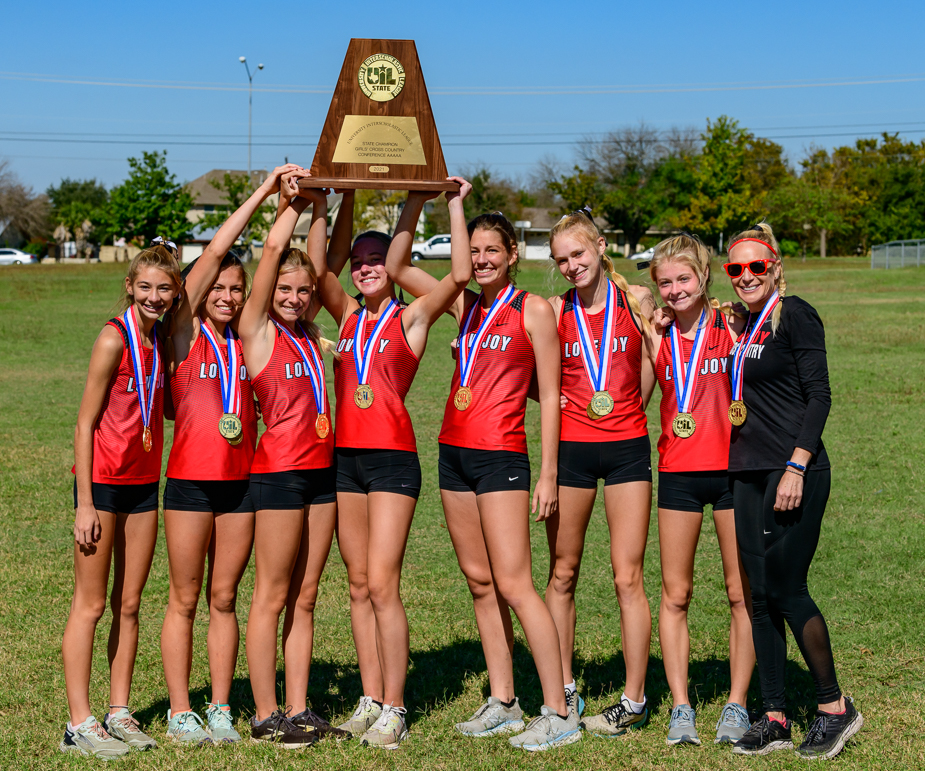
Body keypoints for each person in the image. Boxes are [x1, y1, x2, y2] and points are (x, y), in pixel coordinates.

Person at [387, 206, 579, 751]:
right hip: (454, 454)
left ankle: (558, 711)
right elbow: (400, 264)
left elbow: (553, 398)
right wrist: (432, 200)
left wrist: (548, 474)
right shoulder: (464, 303)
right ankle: (504, 699)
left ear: (513, 254)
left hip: (502, 458)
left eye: (492, 249)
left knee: (516, 583)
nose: (482, 259)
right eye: (473, 250)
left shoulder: (534, 310)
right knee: (479, 582)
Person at [310, 181, 472, 749]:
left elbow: (458, 275)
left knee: (382, 583)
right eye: (358, 262)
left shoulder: (412, 319)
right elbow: (315, 265)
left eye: (376, 260)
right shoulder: (348, 315)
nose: (365, 269)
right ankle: (371, 696)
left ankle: (397, 708)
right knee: (356, 585)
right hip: (345, 461)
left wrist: (427, 200)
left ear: (394, 267)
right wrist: (336, 198)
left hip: (393, 462)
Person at [159, 165, 299, 744]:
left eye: (235, 289)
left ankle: (219, 706)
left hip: (240, 485)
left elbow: (273, 261)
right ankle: (179, 707)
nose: (226, 295)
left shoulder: (248, 338)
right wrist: (266, 191)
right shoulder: (184, 330)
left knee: (224, 598)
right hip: (190, 483)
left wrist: (298, 207)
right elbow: (219, 247)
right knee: (185, 597)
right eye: (217, 286)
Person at [722, 222, 862, 759]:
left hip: (793, 473)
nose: (747, 276)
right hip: (746, 473)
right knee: (758, 597)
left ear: (776, 265)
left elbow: (820, 396)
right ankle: (775, 714)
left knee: (786, 587)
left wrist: (796, 466)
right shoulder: (741, 323)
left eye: (757, 266)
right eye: (737, 268)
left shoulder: (795, 312)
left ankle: (834, 707)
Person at [62, 241, 181, 759]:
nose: (155, 296)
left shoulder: (161, 342)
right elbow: (84, 423)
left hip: (143, 486)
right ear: (130, 286)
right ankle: (79, 723)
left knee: (128, 605)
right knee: (90, 604)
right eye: (147, 287)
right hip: (103, 486)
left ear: (175, 294)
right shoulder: (114, 339)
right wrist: (84, 503)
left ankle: (118, 711)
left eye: (165, 288)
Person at [236, 171, 342, 747]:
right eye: (285, 289)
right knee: (272, 594)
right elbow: (275, 248)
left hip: (321, 475)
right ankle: (264, 713)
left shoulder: (309, 335)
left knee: (306, 594)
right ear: (268, 290)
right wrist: (293, 206)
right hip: (277, 474)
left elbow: (320, 266)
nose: (295, 298)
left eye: (303, 291)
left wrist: (324, 211)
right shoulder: (258, 331)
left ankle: (299, 708)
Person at [542, 209, 657, 739]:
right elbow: (530, 377)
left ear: (601, 246)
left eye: (579, 254)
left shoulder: (636, 300)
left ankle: (633, 698)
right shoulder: (551, 311)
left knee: (626, 576)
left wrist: (631, 407)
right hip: (571, 453)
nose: (571, 266)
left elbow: (654, 363)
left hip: (628, 448)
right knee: (562, 573)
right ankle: (562, 686)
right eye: (561, 259)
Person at [645, 233, 754, 746]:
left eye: (683, 278)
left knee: (740, 593)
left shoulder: (733, 325)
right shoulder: (657, 334)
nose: (675, 289)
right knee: (676, 593)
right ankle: (681, 706)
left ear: (704, 277)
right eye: (665, 282)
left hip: (733, 473)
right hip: (678, 474)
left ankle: (737, 704)